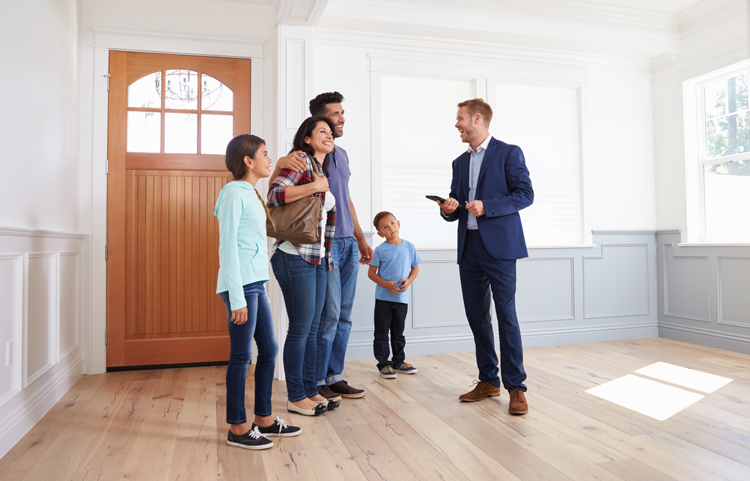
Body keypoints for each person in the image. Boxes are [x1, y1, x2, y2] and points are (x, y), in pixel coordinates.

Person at [436, 98, 533, 415]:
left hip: (501, 249)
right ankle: (488, 381)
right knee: (477, 318)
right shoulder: (458, 163)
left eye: (460, 118)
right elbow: (455, 208)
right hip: (469, 247)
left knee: (506, 317)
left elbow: (525, 194)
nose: (457, 124)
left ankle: (516, 388)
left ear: (477, 119)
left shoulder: (509, 152)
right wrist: (448, 209)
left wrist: (487, 206)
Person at [215, 134, 301, 451]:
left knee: (269, 349)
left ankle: (263, 419)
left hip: (255, 284)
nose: (270, 159)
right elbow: (229, 249)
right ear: (248, 161)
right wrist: (237, 298)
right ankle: (238, 427)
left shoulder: (250, 192)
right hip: (241, 287)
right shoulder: (232, 194)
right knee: (242, 356)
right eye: (265, 154)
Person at [268, 116, 340, 416]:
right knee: (300, 329)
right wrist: (314, 186)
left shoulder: (320, 170)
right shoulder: (299, 162)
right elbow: (275, 195)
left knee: (312, 329)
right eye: (321, 131)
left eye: (331, 132)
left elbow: (323, 222)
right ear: (307, 139)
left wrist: (328, 257)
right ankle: (296, 396)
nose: (329, 135)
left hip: (317, 258)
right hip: (293, 254)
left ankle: (310, 391)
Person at [309, 92, 371, 400]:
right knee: (329, 314)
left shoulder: (342, 154)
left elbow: (345, 197)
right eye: (335, 114)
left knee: (345, 314)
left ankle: (335, 375)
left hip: (348, 241)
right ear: (320, 120)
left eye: (342, 112)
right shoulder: (307, 155)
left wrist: (361, 238)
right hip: (328, 243)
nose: (342, 118)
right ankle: (317, 378)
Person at [367, 211, 422, 379]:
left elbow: (415, 268)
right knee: (382, 332)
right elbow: (371, 273)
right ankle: (384, 364)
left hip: (402, 299)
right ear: (379, 233)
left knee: (398, 332)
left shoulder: (409, 247)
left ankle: (398, 362)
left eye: (392, 223)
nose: (390, 228)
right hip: (383, 299)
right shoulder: (380, 250)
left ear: (398, 223)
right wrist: (385, 284)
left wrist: (409, 281)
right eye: (385, 227)